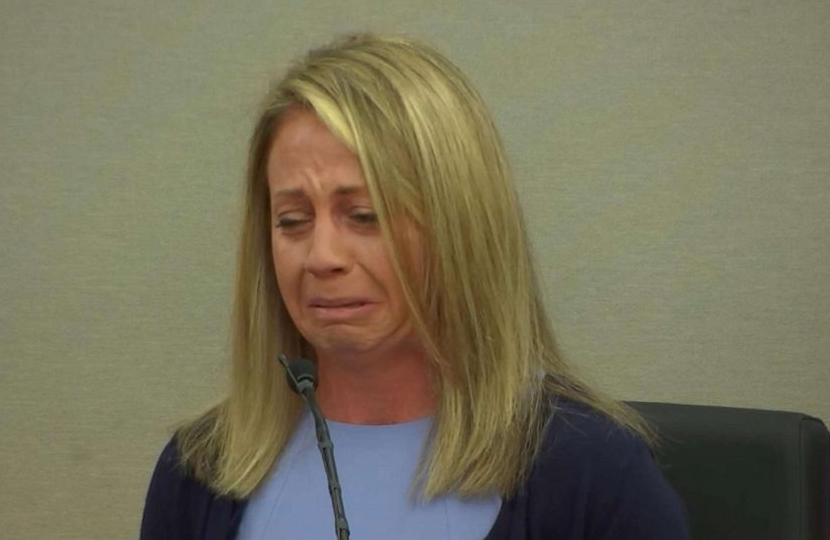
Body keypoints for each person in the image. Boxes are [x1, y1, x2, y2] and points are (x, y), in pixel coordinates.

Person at [140, 33, 689, 540]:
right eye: (292, 221)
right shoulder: (199, 471)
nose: (322, 257)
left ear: (461, 228)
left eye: (364, 215)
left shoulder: (592, 473)